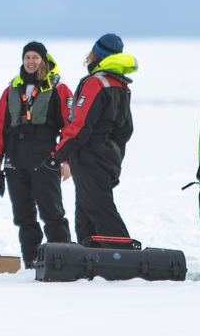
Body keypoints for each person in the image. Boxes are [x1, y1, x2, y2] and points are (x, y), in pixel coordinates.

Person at [0, 42, 73, 267]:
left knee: (52, 214)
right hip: (15, 159)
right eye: (27, 57)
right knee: (24, 217)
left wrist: (65, 159)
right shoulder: (11, 89)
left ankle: (63, 262)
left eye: (35, 57)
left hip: (46, 157)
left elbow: (70, 126)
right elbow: (1, 126)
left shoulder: (59, 88)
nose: (30, 61)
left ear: (44, 60)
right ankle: (32, 263)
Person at [50, 33, 138, 245]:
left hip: (90, 156)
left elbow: (79, 126)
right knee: (85, 214)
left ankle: (124, 257)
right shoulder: (120, 84)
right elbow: (125, 129)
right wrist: (114, 158)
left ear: (96, 54)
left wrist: (57, 155)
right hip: (106, 155)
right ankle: (89, 257)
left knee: (100, 210)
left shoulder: (95, 83)